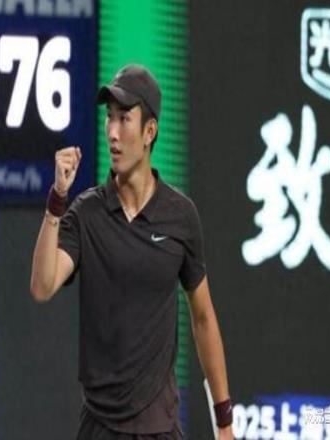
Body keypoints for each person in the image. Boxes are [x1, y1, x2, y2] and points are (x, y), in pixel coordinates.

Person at [30, 64, 234, 439]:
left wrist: (224, 421)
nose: (112, 132)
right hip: (99, 427)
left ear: (149, 131)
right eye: (109, 117)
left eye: (124, 118)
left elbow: (203, 317)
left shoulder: (181, 216)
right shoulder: (86, 213)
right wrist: (57, 200)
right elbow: (43, 286)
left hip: (160, 427)